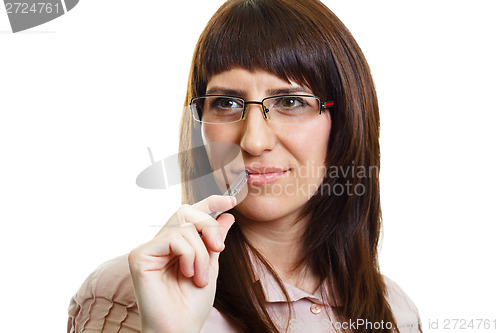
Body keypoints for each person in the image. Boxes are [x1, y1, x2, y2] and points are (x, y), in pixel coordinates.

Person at [68, 0, 422, 332]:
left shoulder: (396, 311)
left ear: (344, 121)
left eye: (290, 101)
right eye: (225, 102)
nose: (253, 141)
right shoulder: (133, 291)